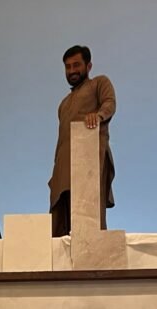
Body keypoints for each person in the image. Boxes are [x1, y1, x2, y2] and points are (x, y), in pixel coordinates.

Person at [48, 45, 116, 237]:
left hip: (88, 159)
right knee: (59, 224)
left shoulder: (99, 83)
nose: (72, 70)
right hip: (63, 166)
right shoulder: (63, 104)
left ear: (88, 66)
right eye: (68, 67)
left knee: (89, 221)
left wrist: (98, 116)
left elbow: (110, 103)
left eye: (76, 65)